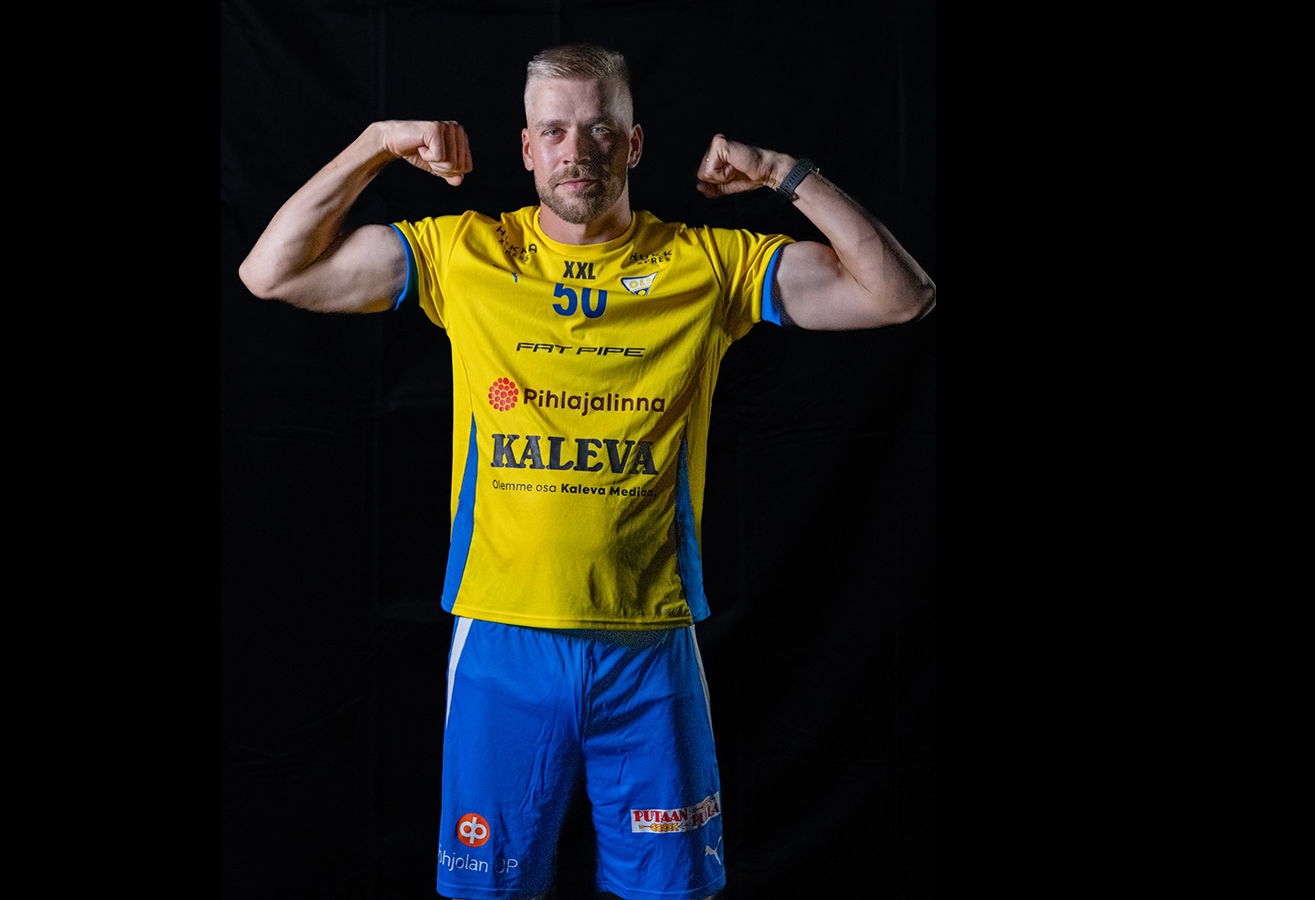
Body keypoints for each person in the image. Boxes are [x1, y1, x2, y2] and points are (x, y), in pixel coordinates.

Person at [239, 41, 933, 900]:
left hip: (650, 644)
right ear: (527, 148)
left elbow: (901, 295)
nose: (578, 151)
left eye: (601, 129)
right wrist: (377, 143)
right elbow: (270, 272)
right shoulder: (465, 254)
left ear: (633, 145)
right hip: (502, 640)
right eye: (555, 131)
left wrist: (783, 174)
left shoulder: (707, 264)